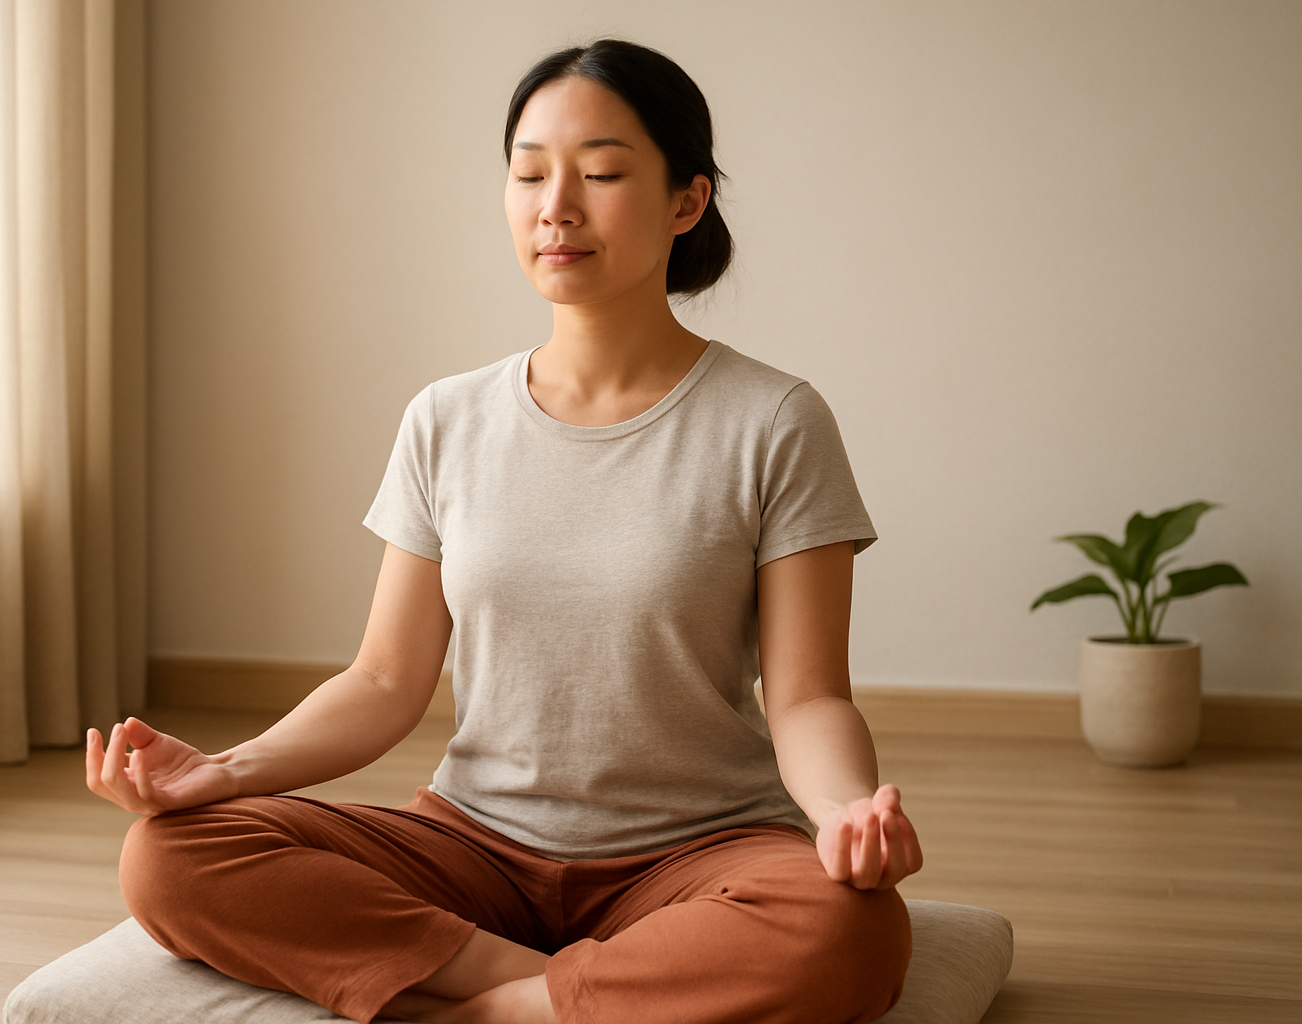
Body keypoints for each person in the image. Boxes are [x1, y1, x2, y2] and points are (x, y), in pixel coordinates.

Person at [88, 38, 922, 1024]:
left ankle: (486, 1005)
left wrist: (841, 816)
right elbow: (385, 680)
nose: (554, 205)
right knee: (172, 855)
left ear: (686, 201)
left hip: (701, 849)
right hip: (473, 844)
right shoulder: (446, 418)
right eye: (528, 173)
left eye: (602, 173)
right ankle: (545, 990)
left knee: (851, 927)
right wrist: (223, 771)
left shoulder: (775, 420)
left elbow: (809, 693)